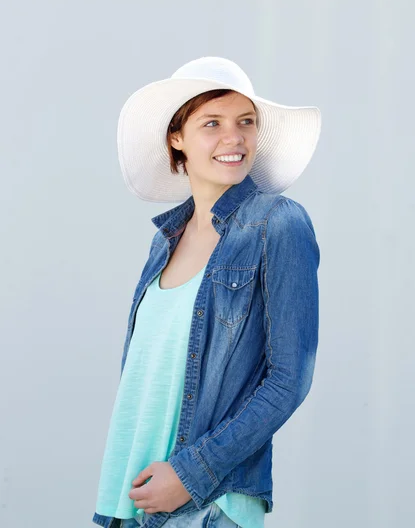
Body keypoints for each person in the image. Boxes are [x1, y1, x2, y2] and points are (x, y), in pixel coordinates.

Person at [92, 56, 321, 528]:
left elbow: (288, 380)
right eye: (211, 123)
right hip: (131, 497)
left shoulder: (277, 224)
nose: (233, 138)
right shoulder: (164, 242)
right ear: (177, 137)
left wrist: (189, 474)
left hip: (206, 502)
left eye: (246, 123)